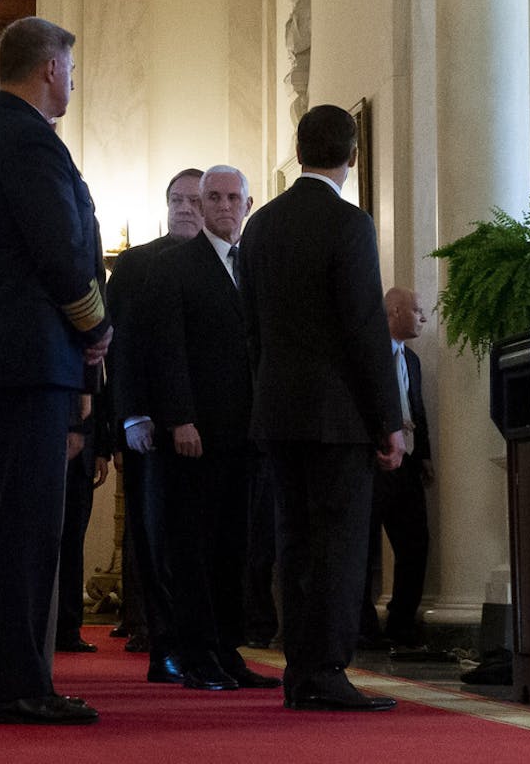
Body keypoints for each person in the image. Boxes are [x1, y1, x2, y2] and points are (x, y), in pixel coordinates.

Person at [0, 16, 110, 726]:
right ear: (47, 68)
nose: (70, 81)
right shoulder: (30, 140)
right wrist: (95, 326)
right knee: (26, 530)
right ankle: (16, 686)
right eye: (68, 69)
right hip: (26, 360)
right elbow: (61, 250)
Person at [237, 104, 403, 712]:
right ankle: (326, 670)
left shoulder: (260, 227)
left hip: (278, 412)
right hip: (337, 420)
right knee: (337, 545)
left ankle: (299, 669)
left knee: (294, 541)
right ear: (352, 156)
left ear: (300, 151)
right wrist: (390, 420)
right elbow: (364, 328)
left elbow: (250, 327)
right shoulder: (349, 223)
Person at [141, 165, 282, 692]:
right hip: (196, 433)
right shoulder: (176, 266)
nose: (223, 207)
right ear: (199, 206)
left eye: (232, 198)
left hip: (246, 434)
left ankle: (227, 650)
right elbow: (166, 347)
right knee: (194, 550)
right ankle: (197, 654)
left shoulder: (254, 267)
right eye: (213, 198)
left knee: (235, 551)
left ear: (248, 205)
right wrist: (179, 417)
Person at [105, 169, 203, 674]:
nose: (186, 207)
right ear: (165, 205)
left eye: (195, 199)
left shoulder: (228, 261)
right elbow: (118, 348)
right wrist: (128, 418)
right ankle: (155, 634)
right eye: (177, 199)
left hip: (211, 430)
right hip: (150, 431)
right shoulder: (135, 264)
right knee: (153, 535)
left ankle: (202, 640)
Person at [360, 287, 434, 649]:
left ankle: (401, 625)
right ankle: (364, 629)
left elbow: (416, 411)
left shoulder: (413, 361)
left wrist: (424, 457)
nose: (424, 318)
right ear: (394, 311)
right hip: (371, 464)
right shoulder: (368, 357)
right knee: (363, 548)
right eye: (418, 311)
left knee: (415, 544)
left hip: (407, 466)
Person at [55, 394, 110, 654]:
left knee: (73, 543)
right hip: (49, 439)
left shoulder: (93, 354)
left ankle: (68, 626)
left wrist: (101, 450)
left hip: (84, 455)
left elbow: (98, 391)